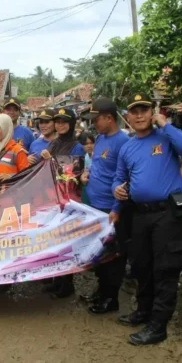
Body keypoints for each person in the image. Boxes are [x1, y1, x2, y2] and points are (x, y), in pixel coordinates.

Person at [113, 93, 182, 346]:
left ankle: (158, 326)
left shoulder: (166, 137)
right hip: (140, 214)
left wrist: (165, 124)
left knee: (165, 269)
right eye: (134, 111)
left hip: (167, 215)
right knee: (141, 266)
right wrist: (115, 192)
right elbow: (119, 177)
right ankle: (143, 311)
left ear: (152, 113)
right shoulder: (127, 147)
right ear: (127, 116)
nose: (139, 115)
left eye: (144, 110)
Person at [79, 97, 130, 314]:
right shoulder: (100, 138)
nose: (93, 124)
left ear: (109, 118)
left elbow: (126, 177)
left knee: (113, 257)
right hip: (95, 207)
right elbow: (100, 167)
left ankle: (111, 298)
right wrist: (86, 174)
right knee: (98, 253)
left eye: (96, 119)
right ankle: (101, 290)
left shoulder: (123, 142)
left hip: (111, 210)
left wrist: (117, 209)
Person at [37, 108, 85, 298]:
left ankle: (67, 284)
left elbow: (74, 175)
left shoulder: (77, 146)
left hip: (69, 200)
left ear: (72, 123)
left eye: (64, 121)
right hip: (53, 199)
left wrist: (52, 162)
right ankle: (57, 279)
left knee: (67, 243)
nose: (60, 125)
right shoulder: (54, 143)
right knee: (55, 241)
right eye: (57, 121)